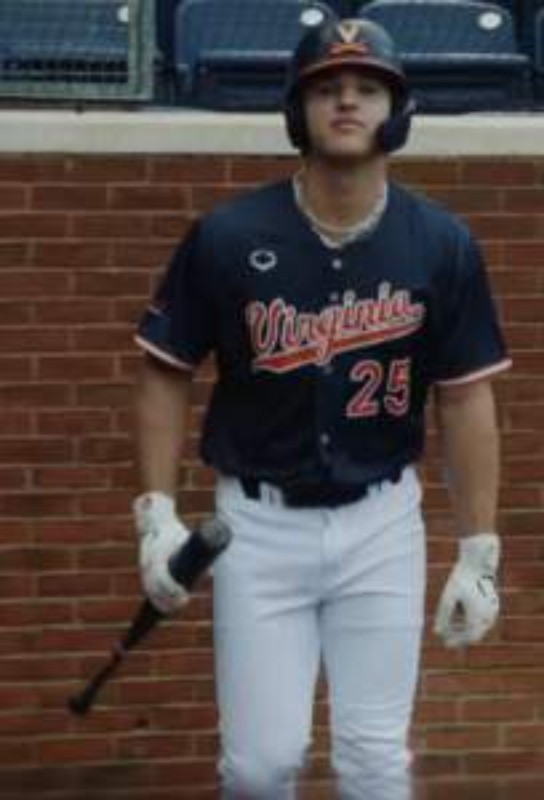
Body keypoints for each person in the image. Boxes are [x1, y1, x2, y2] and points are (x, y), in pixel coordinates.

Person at [132, 15, 511, 800]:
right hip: (258, 526)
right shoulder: (228, 236)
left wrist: (479, 551)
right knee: (260, 765)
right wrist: (156, 515)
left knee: (375, 762)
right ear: (295, 111)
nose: (346, 101)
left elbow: (466, 397)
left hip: (382, 523)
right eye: (326, 87)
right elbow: (165, 371)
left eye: (368, 87)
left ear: (397, 111)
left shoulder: (441, 243)